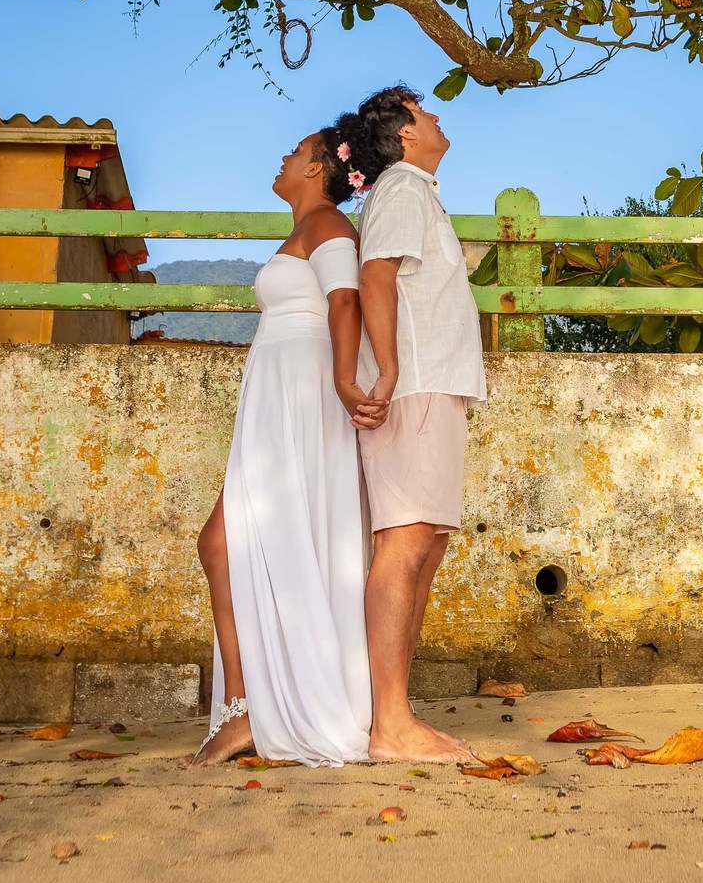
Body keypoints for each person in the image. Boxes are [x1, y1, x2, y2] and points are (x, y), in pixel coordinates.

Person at [186, 128, 384, 767]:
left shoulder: (328, 223)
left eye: (294, 151)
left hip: (302, 394)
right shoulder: (307, 228)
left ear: (321, 167)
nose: (280, 156)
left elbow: (345, 300)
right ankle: (249, 707)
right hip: (276, 394)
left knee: (225, 541)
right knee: (226, 542)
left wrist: (343, 380)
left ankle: (247, 713)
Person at [341, 86, 487, 763]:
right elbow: (375, 276)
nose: (436, 117)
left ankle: (394, 712)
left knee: (424, 545)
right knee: (404, 545)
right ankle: (390, 726)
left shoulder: (415, 189)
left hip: (435, 386)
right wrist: (391, 367)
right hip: (416, 387)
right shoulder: (401, 186)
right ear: (403, 136)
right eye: (424, 112)